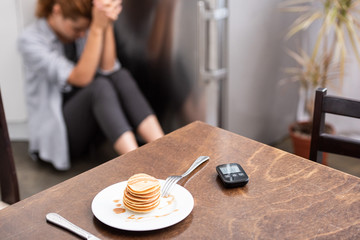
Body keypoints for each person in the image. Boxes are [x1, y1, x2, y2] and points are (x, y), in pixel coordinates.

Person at [18, 0, 164, 170]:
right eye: (77, 29)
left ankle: (164, 147)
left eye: (84, 30)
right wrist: (95, 29)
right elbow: (82, 78)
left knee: (120, 76)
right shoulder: (30, 40)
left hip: (92, 126)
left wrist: (105, 21)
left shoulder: (82, 27)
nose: (81, 34)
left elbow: (109, 67)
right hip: (60, 138)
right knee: (99, 87)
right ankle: (140, 167)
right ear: (56, 11)